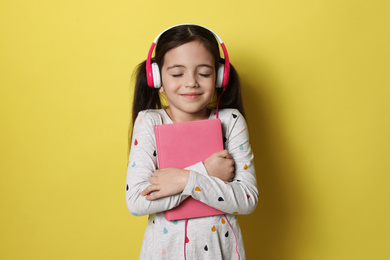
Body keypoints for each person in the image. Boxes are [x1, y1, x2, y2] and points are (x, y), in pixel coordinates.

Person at [126, 24, 258, 260]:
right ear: (157, 79)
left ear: (219, 77)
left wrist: (185, 180)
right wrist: (204, 171)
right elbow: (137, 201)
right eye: (177, 74)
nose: (191, 82)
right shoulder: (149, 122)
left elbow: (247, 200)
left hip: (221, 253)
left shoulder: (231, 121)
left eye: (204, 73)